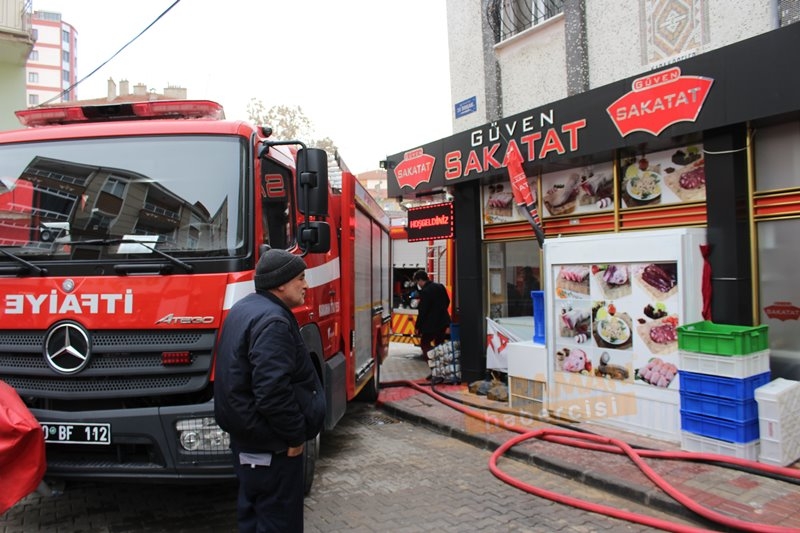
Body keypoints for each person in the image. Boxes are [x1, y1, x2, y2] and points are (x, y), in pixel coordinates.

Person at [214, 248, 326, 533]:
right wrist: (294, 436)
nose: (306, 285)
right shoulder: (273, 321)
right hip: (273, 446)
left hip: (248, 439)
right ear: (280, 283)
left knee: (253, 514)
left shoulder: (245, 309)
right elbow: (272, 390)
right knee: (277, 520)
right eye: (300, 278)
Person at [412, 269, 451, 361]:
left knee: (425, 343)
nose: (418, 285)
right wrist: (441, 311)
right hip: (443, 321)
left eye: (418, 282)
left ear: (420, 280)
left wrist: (417, 326)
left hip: (431, 324)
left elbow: (423, 311)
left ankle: (431, 362)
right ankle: (440, 363)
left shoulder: (425, 291)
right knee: (439, 343)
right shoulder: (440, 286)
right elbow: (447, 301)